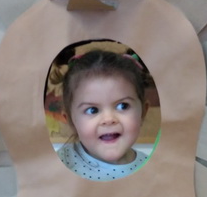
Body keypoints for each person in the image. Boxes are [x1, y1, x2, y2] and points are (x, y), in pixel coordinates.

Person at [57, 49, 150, 181]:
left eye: (123, 106)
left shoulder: (154, 168)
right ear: (71, 120)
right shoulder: (57, 165)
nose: (108, 119)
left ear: (143, 112)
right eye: (92, 110)